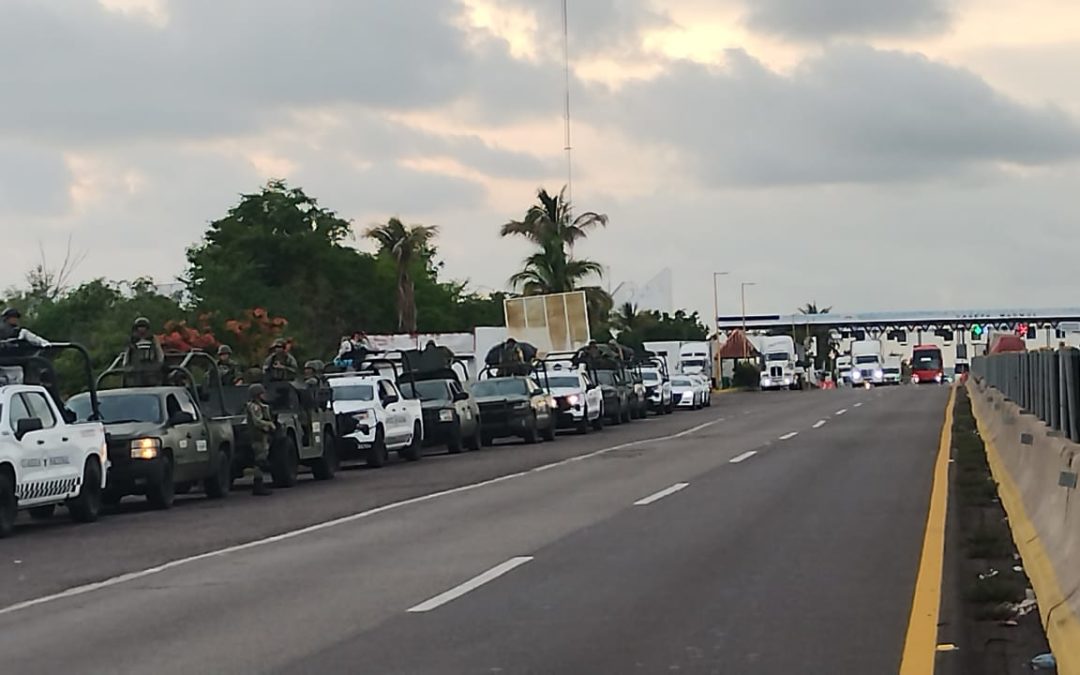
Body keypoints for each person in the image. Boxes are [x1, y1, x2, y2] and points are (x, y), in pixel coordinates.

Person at [245, 384, 275, 496]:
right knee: (260, 461)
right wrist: (269, 425)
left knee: (261, 460)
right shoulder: (254, 407)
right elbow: (257, 421)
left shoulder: (259, 405)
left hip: (261, 436)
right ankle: (258, 485)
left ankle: (259, 484)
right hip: (258, 436)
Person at [121, 316, 165, 386]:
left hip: (151, 368)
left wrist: (159, 364)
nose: (141, 329)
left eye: (143, 326)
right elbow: (127, 353)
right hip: (136, 368)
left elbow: (159, 352)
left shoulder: (153, 339)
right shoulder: (132, 340)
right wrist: (126, 365)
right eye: (139, 326)